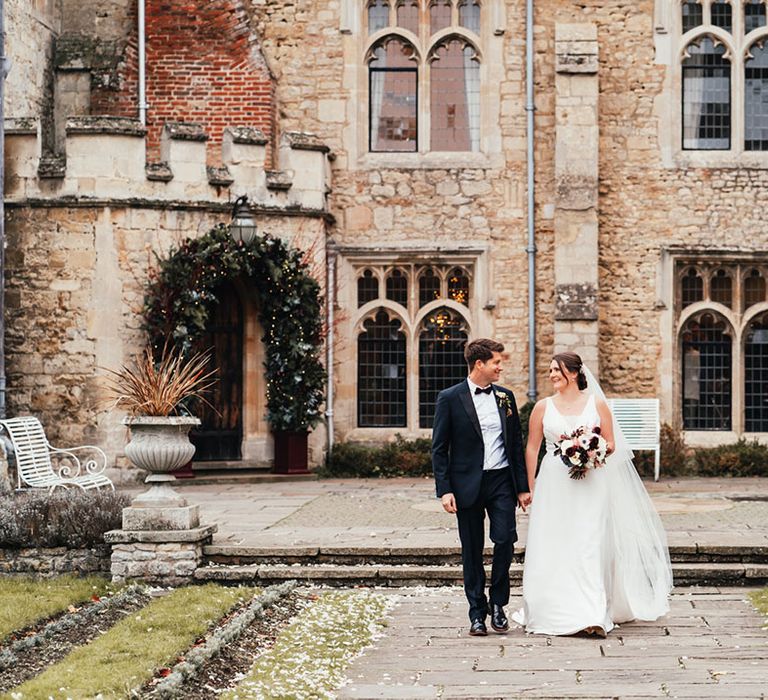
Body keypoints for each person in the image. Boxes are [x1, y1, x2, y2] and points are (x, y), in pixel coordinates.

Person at [513, 352, 672, 636]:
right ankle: (550, 606)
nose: (551, 375)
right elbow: (531, 448)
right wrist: (529, 486)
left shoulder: (597, 403)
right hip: (553, 482)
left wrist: (592, 450)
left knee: (589, 542)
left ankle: (591, 613)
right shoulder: (542, 407)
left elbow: (611, 444)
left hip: (591, 482)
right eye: (549, 370)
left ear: (573, 373)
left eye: (556, 370)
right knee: (554, 541)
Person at [432, 338, 532, 637]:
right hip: (466, 484)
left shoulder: (505, 397)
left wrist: (523, 487)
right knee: (472, 549)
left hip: (501, 480)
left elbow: (515, 443)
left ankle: (499, 605)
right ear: (480, 364)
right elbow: (439, 448)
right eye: (496, 362)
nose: (500, 367)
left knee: (505, 541)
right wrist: (444, 489)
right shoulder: (449, 398)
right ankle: (477, 612)